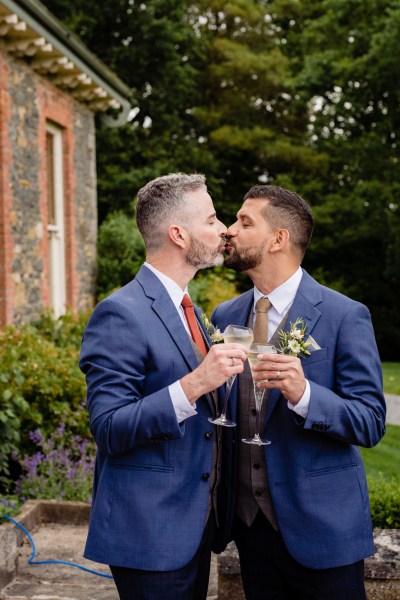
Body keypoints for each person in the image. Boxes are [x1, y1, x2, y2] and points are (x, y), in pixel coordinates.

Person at [79, 173, 249, 600]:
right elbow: (110, 428)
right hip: (149, 533)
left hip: (196, 527)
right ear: (178, 233)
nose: (223, 229)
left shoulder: (190, 310)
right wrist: (194, 384)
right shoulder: (120, 313)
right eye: (211, 220)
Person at [212, 184, 386, 600]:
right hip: (250, 529)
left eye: (244, 221)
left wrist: (304, 394)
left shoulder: (345, 315)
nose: (229, 230)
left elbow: (371, 421)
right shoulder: (226, 315)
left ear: (278, 239)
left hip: (324, 531)